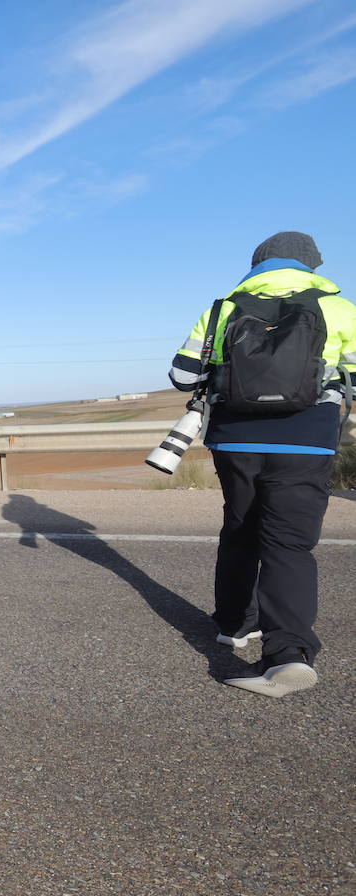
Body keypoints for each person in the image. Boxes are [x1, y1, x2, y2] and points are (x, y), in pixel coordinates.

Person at [169, 231, 356, 697]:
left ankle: (234, 624)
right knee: (288, 546)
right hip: (306, 441)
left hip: (236, 440)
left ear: (257, 264)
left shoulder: (223, 309)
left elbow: (181, 375)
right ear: (311, 265)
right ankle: (288, 656)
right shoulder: (338, 307)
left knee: (239, 528)